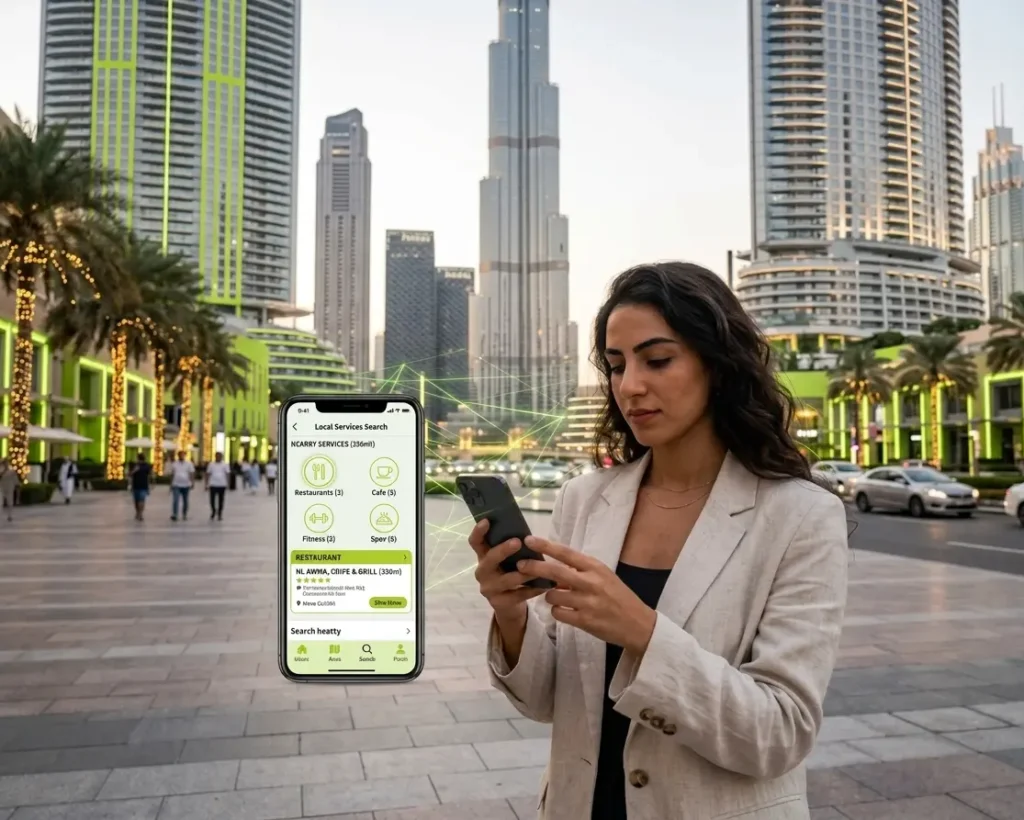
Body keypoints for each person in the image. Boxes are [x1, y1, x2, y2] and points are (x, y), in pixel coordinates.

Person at [470, 262, 849, 820]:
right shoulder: (584, 499)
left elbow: (779, 733)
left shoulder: (801, 515)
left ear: (717, 365)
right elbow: (550, 700)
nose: (630, 386)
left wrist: (643, 634)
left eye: (658, 360)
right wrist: (511, 618)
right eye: (616, 365)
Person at [169, 450, 195, 521]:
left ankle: (184, 514)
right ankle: (175, 514)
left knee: (185, 500)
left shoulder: (189, 464)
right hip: (176, 484)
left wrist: (192, 482)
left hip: (186, 484)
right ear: (178, 456)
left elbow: (191, 473)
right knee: (175, 500)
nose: (181, 456)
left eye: (183, 455)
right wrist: (171, 484)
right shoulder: (174, 464)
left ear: (185, 455)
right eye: (180, 455)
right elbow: (172, 474)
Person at [205, 451, 231, 520]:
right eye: (217, 456)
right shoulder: (211, 464)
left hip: (222, 484)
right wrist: (206, 484)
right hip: (213, 484)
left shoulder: (225, 465)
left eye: (219, 456)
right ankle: (213, 510)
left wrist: (228, 483)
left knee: (221, 500)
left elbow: (227, 474)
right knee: (212, 500)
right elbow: (207, 474)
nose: (218, 457)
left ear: (221, 457)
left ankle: (220, 513)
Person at [129, 452, 152, 521]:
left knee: (141, 500)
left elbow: (149, 476)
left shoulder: (146, 466)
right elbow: (130, 474)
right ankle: (137, 512)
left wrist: (149, 486)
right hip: (136, 486)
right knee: (136, 501)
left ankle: (140, 514)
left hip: (143, 486)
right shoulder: (135, 465)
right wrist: (134, 470)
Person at [0, 459, 21, 523]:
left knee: (10, 502)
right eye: (4, 463)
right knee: (0, 503)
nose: (6, 464)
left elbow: (15, 480)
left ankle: (10, 515)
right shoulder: (1, 471)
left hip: (10, 488)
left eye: (6, 463)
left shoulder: (12, 472)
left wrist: (17, 485)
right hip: (1, 488)